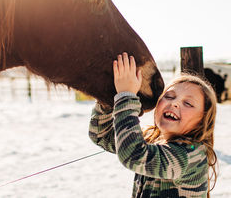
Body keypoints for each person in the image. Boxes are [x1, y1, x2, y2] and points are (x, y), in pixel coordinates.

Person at [89, 52, 218, 198]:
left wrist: (126, 96)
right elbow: (101, 136)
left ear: (202, 120)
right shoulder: (152, 140)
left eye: (187, 103)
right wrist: (109, 96)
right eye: (169, 96)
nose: (174, 103)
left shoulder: (191, 156)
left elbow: (134, 156)